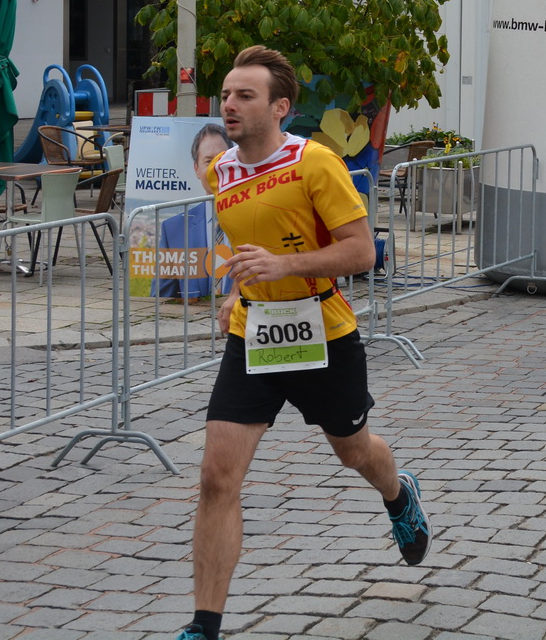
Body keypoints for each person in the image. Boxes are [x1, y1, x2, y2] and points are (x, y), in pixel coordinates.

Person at [174, 47, 428, 640]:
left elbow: (362, 252)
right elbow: (249, 246)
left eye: (245, 96)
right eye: (227, 95)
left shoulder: (315, 163)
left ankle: (398, 493)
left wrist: (283, 265)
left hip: (322, 331)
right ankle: (203, 626)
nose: (229, 105)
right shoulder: (221, 172)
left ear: (280, 107)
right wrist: (241, 291)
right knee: (217, 477)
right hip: (254, 336)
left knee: (355, 453)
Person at [153, 124, 235, 303]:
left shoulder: (258, 218)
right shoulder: (173, 228)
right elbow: (162, 297)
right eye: (208, 161)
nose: (215, 168)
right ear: (196, 169)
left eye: (222, 158)